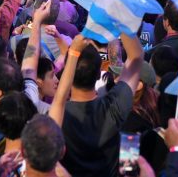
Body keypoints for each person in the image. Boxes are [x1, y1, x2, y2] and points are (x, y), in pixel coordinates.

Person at [52, 32, 143, 176]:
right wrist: (123, 18)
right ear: (98, 74)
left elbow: (59, 101)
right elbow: (136, 57)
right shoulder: (114, 107)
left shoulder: (55, 118)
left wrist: (74, 53)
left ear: (67, 73)